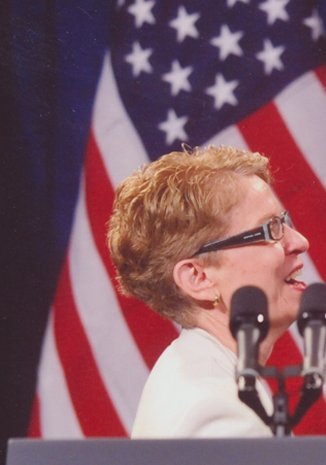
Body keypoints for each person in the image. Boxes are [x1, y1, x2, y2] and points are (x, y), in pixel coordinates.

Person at [107, 145, 310, 438]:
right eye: (270, 229)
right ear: (198, 278)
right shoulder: (216, 414)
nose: (300, 241)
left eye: (285, 222)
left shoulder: (210, 378)